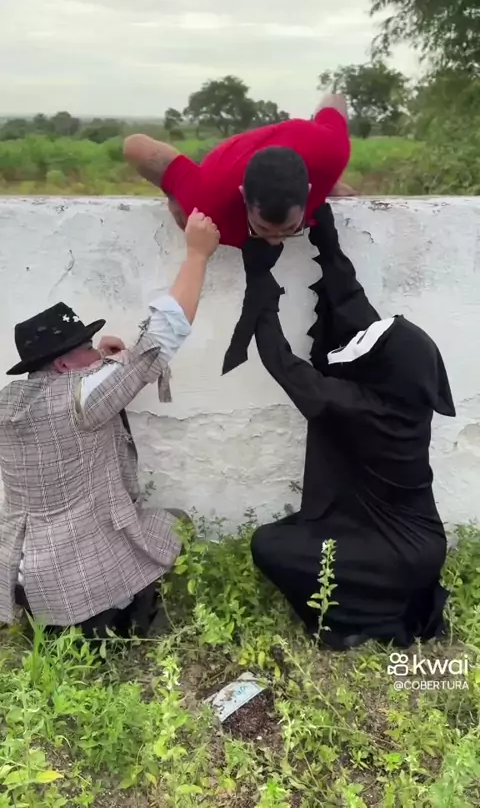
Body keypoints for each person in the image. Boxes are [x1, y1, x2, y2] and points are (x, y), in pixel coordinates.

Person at [0, 210, 220, 638]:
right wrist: (197, 254)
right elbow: (160, 340)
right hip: (80, 583)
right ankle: (135, 621)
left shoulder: (10, 402)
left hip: (26, 578)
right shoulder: (81, 397)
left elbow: (70, 402)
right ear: (64, 365)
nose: (93, 352)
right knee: (174, 523)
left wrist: (101, 362)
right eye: (85, 347)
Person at [249, 203, 456, 650]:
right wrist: (325, 234)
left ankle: (365, 623)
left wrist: (258, 280)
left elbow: (283, 364)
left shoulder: (363, 407)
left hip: (400, 552)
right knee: (297, 532)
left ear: (388, 366)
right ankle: (386, 599)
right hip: (413, 540)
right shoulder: (403, 392)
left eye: (372, 346)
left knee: (269, 544)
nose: (361, 341)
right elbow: (354, 306)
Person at [123, 93, 353, 249]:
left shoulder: (331, 150)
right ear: (243, 196)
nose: (274, 242)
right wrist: (172, 188)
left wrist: (328, 183)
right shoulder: (207, 202)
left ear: (308, 191)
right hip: (226, 166)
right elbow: (134, 145)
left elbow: (335, 98)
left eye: (291, 229)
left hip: (307, 142)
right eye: (261, 228)